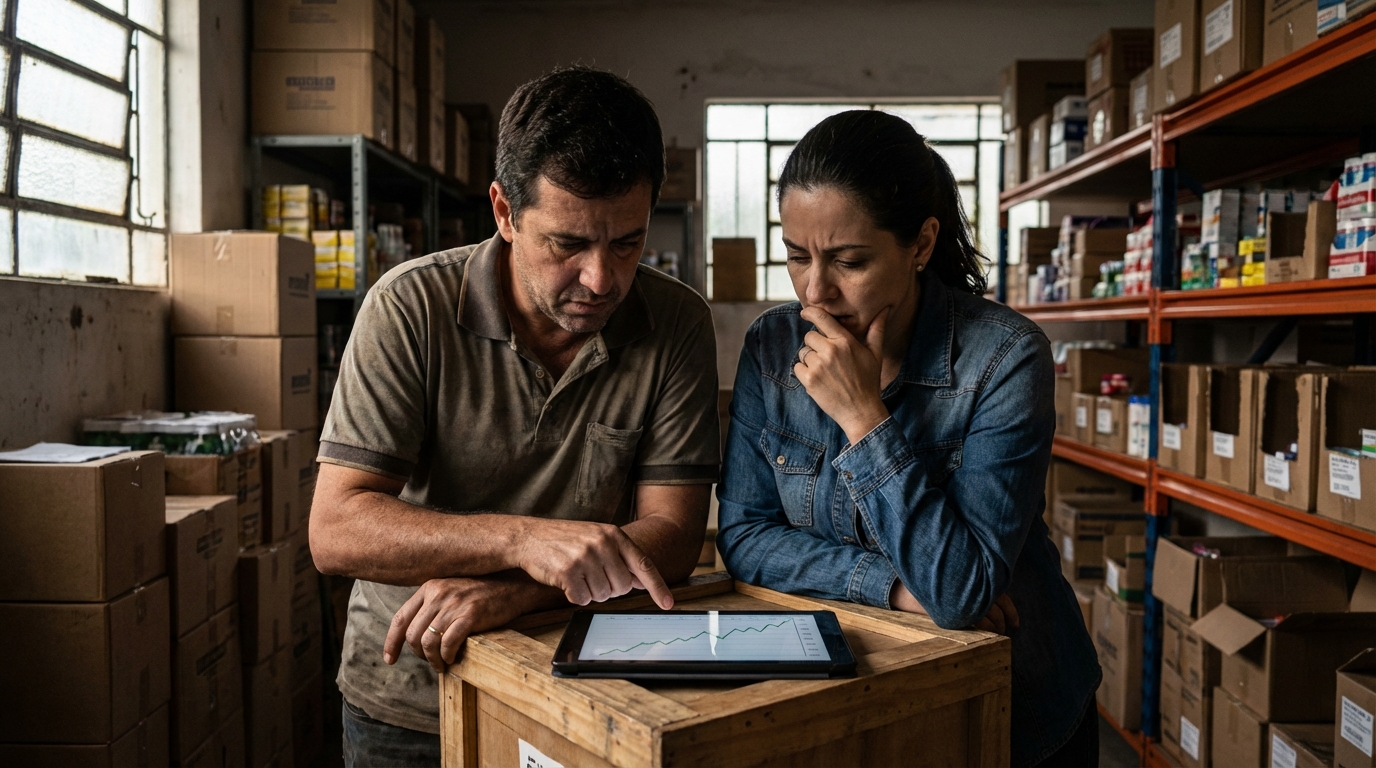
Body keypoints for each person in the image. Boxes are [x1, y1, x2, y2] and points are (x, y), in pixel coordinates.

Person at [309, 67, 721, 767]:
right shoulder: (409, 308)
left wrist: (516, 592)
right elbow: (336, 530)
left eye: (627, 243)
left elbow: (676, 537)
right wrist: (524, 540)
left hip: (580, 685)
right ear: (504, 211)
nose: (601, 279)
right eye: (567, 244)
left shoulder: (676, 321)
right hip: (413, 695)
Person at [715, 110, 1101, 768]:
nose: (815, 292)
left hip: (1013, 712)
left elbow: (958, 592)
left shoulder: (1004, 359)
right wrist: (892, 584)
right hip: (863, 699)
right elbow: (746, 538)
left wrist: (865, 419)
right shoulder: (772, 348)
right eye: (797, 256)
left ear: (921, 244)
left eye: (849, 261)